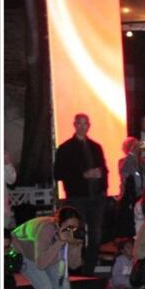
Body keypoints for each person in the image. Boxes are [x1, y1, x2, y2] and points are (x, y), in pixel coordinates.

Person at [54, 113, 107, 275]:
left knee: (96, 235)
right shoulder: (65, 148)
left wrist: (101, 177)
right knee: (77, 234)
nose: (83, 126)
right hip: (77, 198)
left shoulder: (95, 147)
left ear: (89, 125)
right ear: (74, 124)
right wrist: (83, 175)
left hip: (96, 198)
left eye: (85, 123)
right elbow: (58, 173)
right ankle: (76, 270)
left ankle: (88, 271)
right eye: (80, 123)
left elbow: (104, 169)